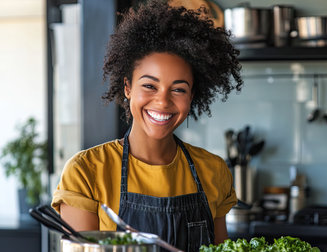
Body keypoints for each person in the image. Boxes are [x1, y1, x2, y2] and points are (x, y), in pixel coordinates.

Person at [51, 1, 243, 251]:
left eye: (178, 89)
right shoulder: (86, 172)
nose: (163, 101)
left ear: (192, 95)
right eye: (149, 86)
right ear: (128, 87)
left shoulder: (213, 171)